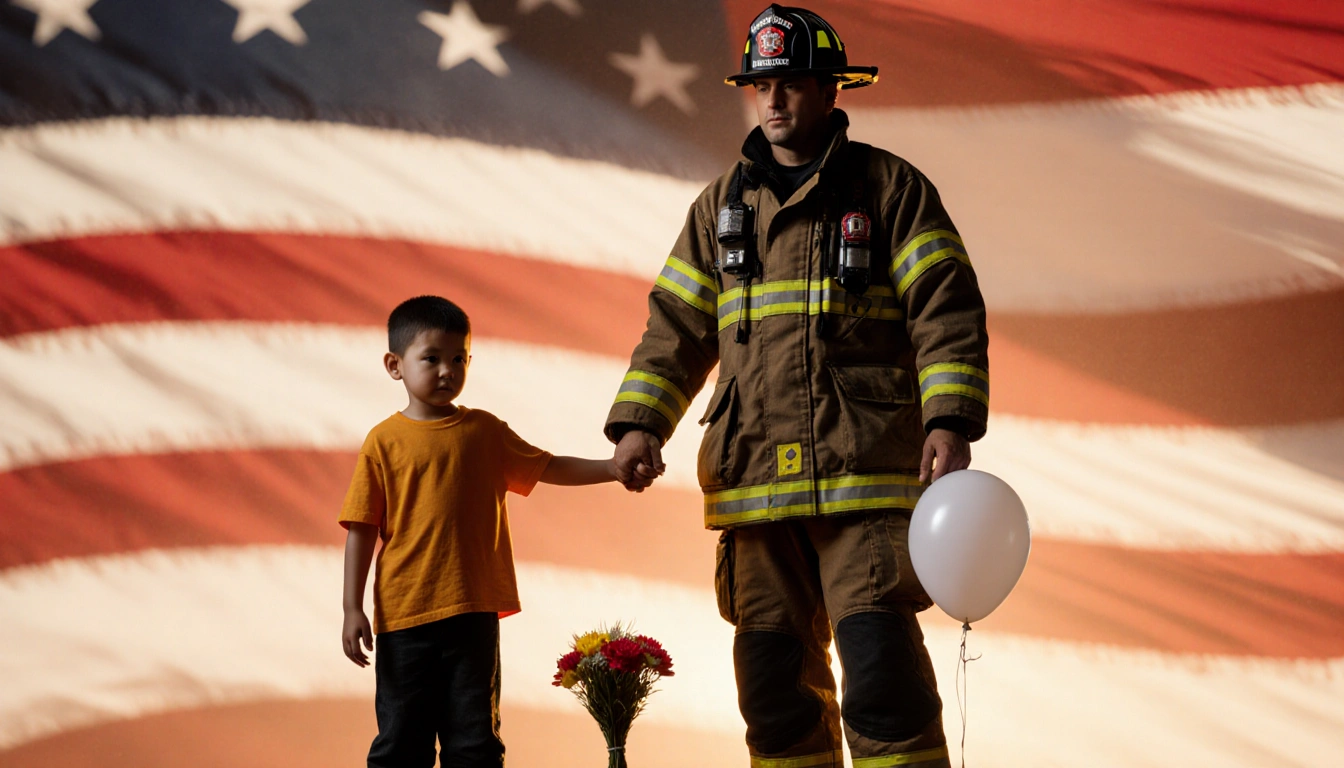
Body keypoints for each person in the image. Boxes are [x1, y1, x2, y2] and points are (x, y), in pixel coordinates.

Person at [606, 5, 989, 767]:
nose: (774, 100)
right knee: (773, 690)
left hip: (865, 479)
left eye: (791, 84)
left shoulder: (890, 189)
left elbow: (944, 306)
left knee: (882, 674)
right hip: (755, 482)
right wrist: (640, 423)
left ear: (829, 91)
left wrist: (949, 419)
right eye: (761, 86)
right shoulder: (720, 209)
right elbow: (676, 325)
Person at [340, 295, 646, 767]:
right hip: (404, 619)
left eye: (458, 358)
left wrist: (611, 467)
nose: (447, 370)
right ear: (394, 365)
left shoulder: (484, 432)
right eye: (432, 358)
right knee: (402, 743)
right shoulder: (382, 442)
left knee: (476, 743)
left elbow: (547, 466)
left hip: (472, 614)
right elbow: (360, 528)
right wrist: (351, 608)